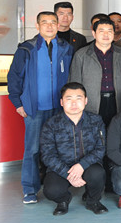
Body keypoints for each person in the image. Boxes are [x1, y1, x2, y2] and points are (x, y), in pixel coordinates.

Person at [7, 11, 74, 204]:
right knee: (33, 150)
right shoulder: (26, 49)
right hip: (35, 109)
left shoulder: (66, 48)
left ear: (58, 25)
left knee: (60, 149)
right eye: (45, 22)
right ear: (37, 26)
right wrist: (18, 103)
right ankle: (30, 189)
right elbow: (14, 77)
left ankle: (60, 187)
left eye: (53, 22)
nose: (50, 26)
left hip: (60, 109)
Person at [39, 82, 108, 215]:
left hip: (88, 165)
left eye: (79, 98)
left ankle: (92, 201)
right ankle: (63, 200)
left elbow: (100, 148)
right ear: (61, 102)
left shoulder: (96, 120)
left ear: (86, 101)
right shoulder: (51, 124)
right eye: (69, 99)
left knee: (98, 174)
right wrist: (68, 174)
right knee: (51, 190)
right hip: (62, 167)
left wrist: (82, 165)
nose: (74, 103)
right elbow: (48, 155)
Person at [68, 17, 121, 127]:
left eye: (109, 31)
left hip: (117, 101)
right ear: (94, 34)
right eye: (101, 31)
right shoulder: (81, 55)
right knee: (94, 133)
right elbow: (74, 84)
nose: (106, 34)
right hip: (92, 103)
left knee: (116, 132)